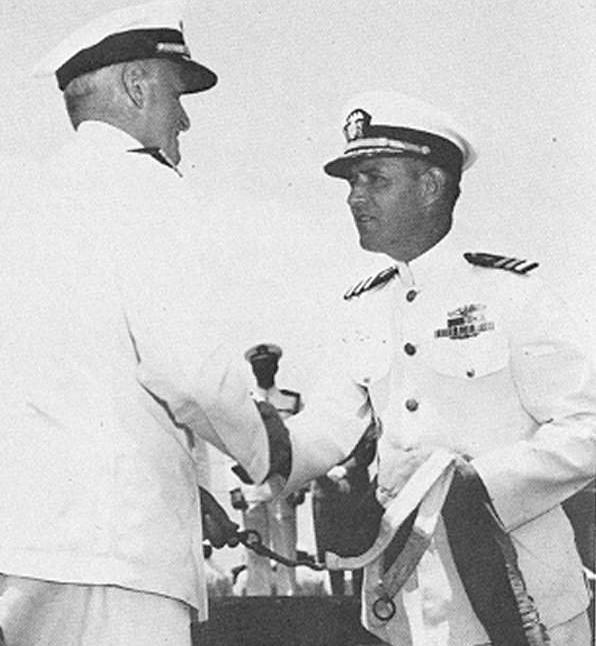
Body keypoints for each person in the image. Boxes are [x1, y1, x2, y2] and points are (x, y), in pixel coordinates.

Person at [261, 91, 596, 645]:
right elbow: (325, 431)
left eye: (374, 178)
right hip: (409, 603)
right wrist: (254, 441)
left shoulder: (513, 294)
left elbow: (587, 428)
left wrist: (479, 484)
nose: (355, 197)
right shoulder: (362, 307)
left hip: (521, 600)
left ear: (431, 185)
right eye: (351, 182)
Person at [0, 0, 278, 646]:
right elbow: (192, 375)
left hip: (27, 547)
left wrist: (189, 492)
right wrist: (266, 456)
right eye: (177, 94)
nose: (184, 119)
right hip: (119, 553)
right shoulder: (145, 189)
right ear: (134, 85)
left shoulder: (24, 202)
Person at [229, 343, 304, 595]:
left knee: (285, 546)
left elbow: (302, 442)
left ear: (276, 366)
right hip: (251, 483)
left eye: (268, 365)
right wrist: (233, 488)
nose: (264, 370)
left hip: (283, 481)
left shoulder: (290, 401)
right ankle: (257, 601)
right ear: (252, 369)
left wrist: (301, 481)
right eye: (258, 366)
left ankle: (289, 600)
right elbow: (230, 442)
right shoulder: (242, 402)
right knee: (254, 546)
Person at [311, 423, 377, 596]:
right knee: (331, 548)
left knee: (357, 550)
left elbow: (368, 448)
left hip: (355, 488)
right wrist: (325, 470)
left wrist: (345, 468)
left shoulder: (363, 416)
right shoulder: (319, 413)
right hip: (325, 486)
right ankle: (337, 598)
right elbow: (309, 446)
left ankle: (358, 599)